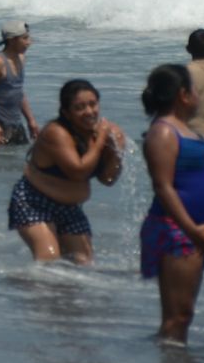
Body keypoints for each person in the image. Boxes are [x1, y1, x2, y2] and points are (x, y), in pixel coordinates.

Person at [138, 63, 204, 346]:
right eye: (195, 91)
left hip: (194, 231)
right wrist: (192, 229)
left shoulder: (191, 133)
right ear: (183, 95)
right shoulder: (163, 132)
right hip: (175, 228)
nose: (199, 96)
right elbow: (163, 186)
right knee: (178, 315)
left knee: (183, 314)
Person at [8, 79, 126, 263]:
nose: (89, 112)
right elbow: (78, 172)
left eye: (93, 104)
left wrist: (115, 151)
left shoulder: (98, 134)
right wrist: (101, 139)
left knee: (83, 264)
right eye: (80, 107)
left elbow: (108, 179)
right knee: (48, 261)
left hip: (70, 208)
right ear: (66, 113)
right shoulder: (56, 133)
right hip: (34, 203)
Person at [0, 20, 39, 144]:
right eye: (24, 38)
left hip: (16, 124)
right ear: (12, 40)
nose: (29, 42)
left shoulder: (21, 58)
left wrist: (31, 120)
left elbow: (18, 92)